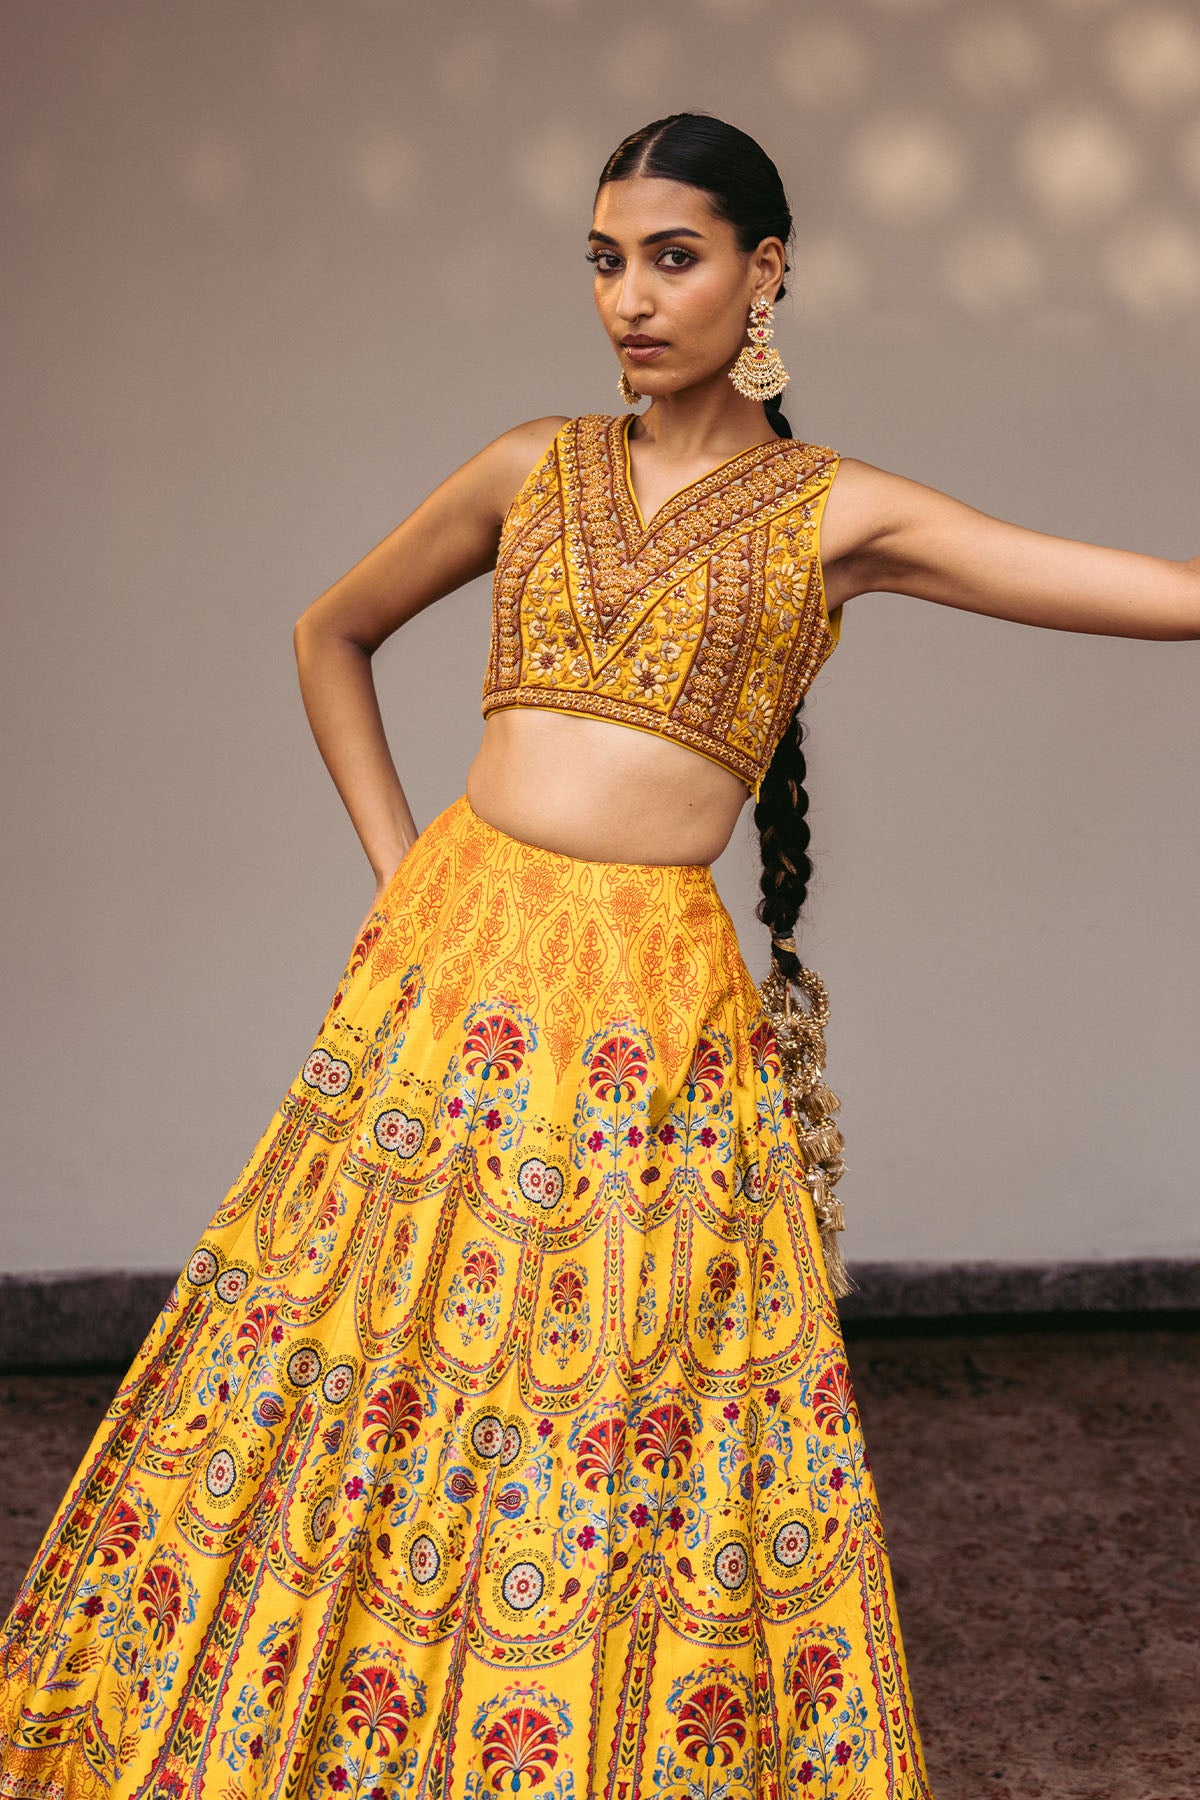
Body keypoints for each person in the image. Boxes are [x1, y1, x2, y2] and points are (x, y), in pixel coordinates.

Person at [2, 110, 1196, 1800]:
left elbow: (1153, 590)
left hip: (649, 1007)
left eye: (673, 258)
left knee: (616, 1403)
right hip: (453, 968)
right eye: (604, 260)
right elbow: (329, 630)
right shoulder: (529, 467)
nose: (629, 297)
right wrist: (402, 878)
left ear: (765, 274)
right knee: (364, 1366)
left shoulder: (836, 513)